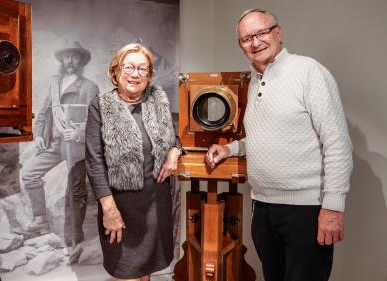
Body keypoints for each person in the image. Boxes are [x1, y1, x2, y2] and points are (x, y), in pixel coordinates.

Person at [204, 9, 353, 281]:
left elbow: (338, 142)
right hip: (263, 208)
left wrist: (333, 206)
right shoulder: (254, 80)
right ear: (241, 45)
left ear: (278, 33)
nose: (255, 42)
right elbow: (267, 135)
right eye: (246, 38)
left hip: (306, 211)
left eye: (261, 33)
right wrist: (231, 149)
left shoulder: (308, 71)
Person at [85, 43, 183, 280]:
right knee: (127, 270)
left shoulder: (158, 100)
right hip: (120, 206)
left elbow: (173, 137)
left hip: (155, 204)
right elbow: (94, 162)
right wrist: (109, 210)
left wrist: (175, 151)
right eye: (129, 67)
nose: (135, 74)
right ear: (116, 71)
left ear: (149, 74)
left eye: (143, 68)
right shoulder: (101, 106)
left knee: (145, 272)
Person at [18, 41, 100, 248]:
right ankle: (41, 221)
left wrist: (79, 132)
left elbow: (96, 118)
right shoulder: (54, 84)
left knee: (77, 190)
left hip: (77, 146)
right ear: (62, 60)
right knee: (29, 174)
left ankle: (75, 233)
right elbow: (44, 112)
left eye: (74, 56)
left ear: (81, 60)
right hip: (55, 143)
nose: (69, 60)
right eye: (66, 57)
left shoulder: (89, 87)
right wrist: (38, 136)